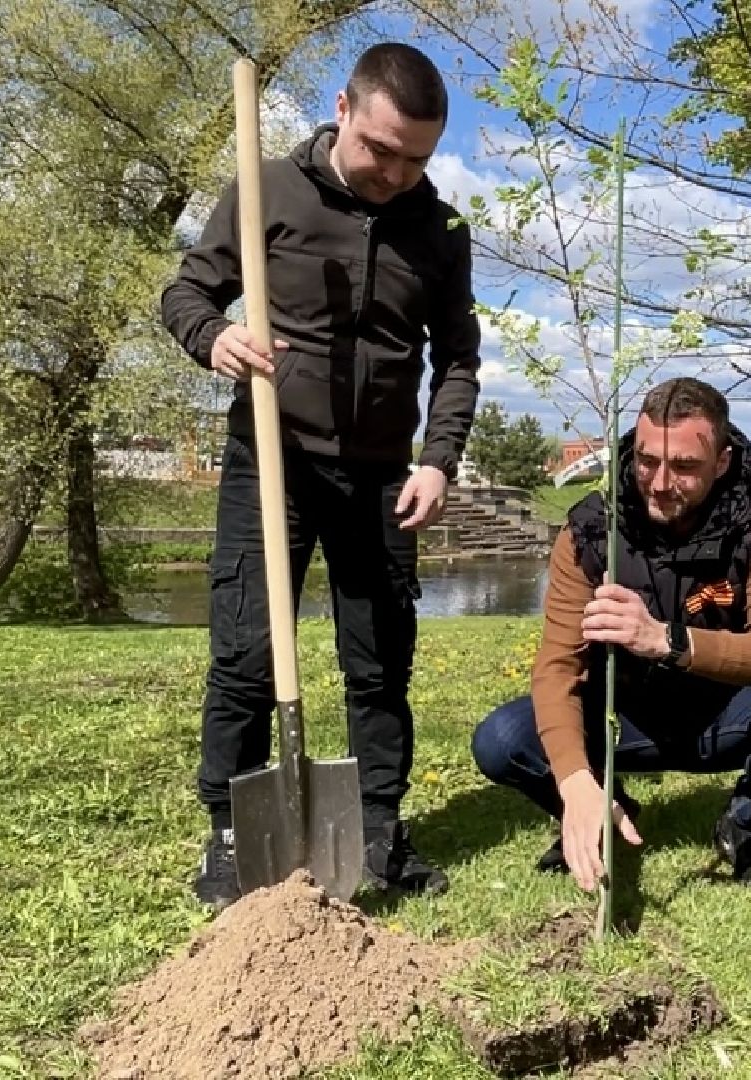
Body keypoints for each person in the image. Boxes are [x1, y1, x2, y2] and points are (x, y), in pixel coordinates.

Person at [160, 43, 481, 908]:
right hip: (273, 462)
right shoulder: (267, 190)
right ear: (343, 109)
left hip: (383, 479)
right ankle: (232, 836)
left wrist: (438, 461)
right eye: (381, 149)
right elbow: (186, 294)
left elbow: (457, 359)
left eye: (417, 158)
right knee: (247, 654)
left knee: (379, 664)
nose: (396, 174)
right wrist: (214, 337)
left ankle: (377, 830)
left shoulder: (441, 230)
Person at [471, 378, 751, 890]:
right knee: (501, 741)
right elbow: (558, 667)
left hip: (723, 715)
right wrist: (574, 782)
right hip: (621, 719)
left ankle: (747, 821)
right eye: (648, 461)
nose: (661, 483)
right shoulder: (591, 530)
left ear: (722, 462)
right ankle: (605, 807)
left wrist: (667, 640)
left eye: (685, 466)